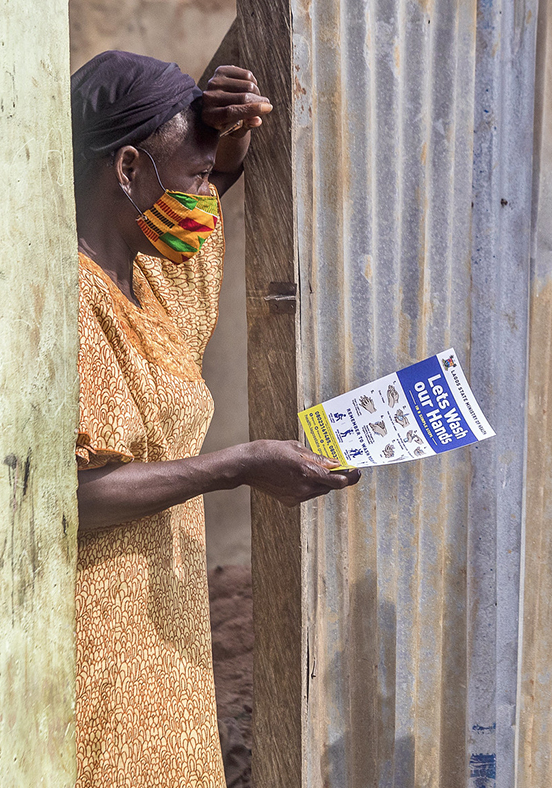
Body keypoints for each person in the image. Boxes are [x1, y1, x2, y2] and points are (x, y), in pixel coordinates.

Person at [70, 51, 358, 786]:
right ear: (128, 169)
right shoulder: (71, 299)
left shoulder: (149, 273)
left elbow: (210, 176)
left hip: (161, 633)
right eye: (191, 178)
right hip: (91, 642)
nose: (204, 201)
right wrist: (236, 466)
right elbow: (76, 494)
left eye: (208, 180)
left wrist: (227, 134)